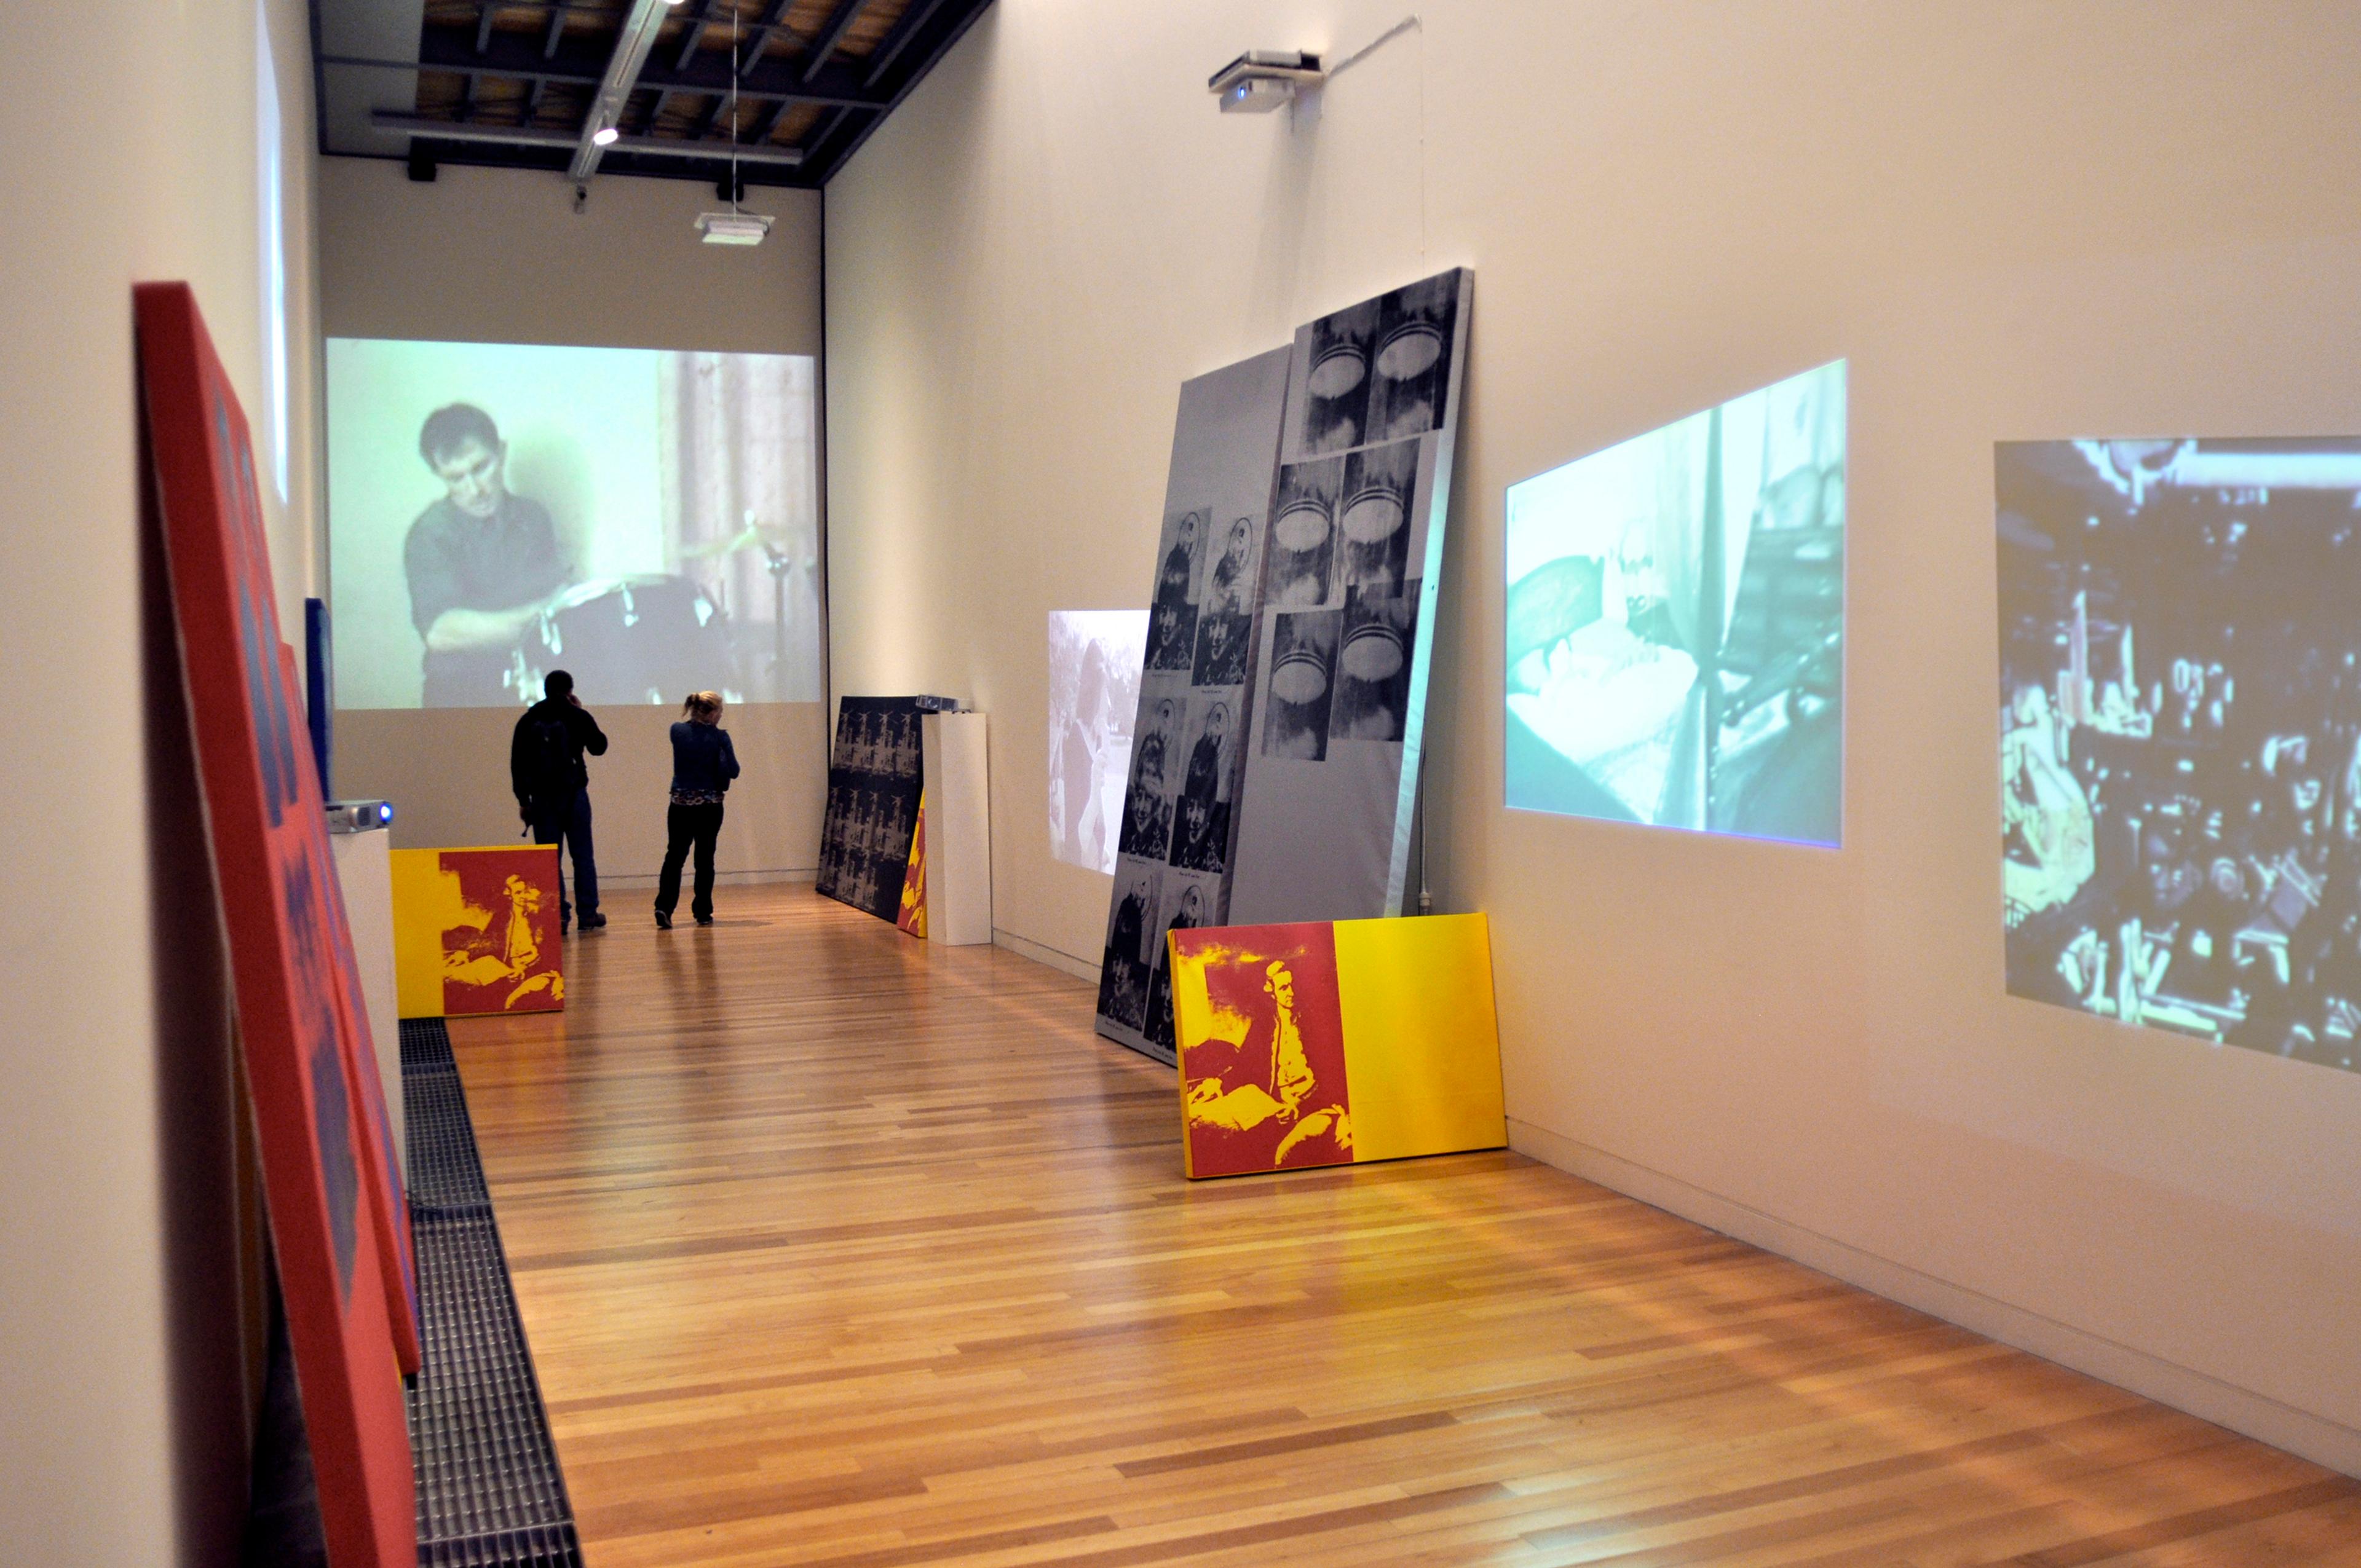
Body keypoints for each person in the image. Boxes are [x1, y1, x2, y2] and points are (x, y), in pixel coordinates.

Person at [404, 403, 574, 706]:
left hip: (532, 691)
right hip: (459, 697)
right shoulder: (429, 533)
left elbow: (560, 595)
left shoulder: (534, 517)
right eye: (456, 478)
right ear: (439, 475)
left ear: (502, 453)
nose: (475, 490)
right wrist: (538, 620)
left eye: (481, 468)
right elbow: (441, 633)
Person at [510, 669, 607, 932]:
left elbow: (518, 763)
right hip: (575, 795)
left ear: (545, 689)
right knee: (583, 856)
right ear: (570, 690)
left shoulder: (529, 720)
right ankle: (588, 914)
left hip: (542, 800)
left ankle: (558, 916)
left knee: (549, 858)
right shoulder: (576, 715)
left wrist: (523, 800)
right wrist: (582, 712)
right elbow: (599, 747)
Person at [656, 690, 741, 929]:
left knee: (674, 857)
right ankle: (703, 911)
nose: (721, 715)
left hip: (680, 805)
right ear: (712, 713)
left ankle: (664, 907)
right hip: (710, 807)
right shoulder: (720, 738)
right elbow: (734, 770)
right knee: (704, 860)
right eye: (720, 711)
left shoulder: (677, 731)